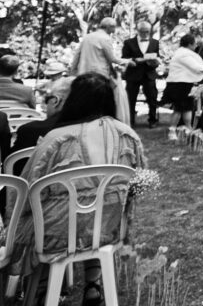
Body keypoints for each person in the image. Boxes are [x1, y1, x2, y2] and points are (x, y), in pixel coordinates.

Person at [11, 72, 146, 306]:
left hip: (56, 233)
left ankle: (42, 290)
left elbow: (28, 188)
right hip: (108, 228)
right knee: (93, 214)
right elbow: (139, 182)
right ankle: (93, 284)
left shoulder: (57, 139)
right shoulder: (127, 135)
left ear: (74, 99)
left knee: (36, 214)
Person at [69, 17, 132, 125]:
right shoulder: (105, 38)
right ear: (109, 27)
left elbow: (77, 55)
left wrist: (73, 70)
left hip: (84, 73)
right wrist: (128, 61)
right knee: (99, 99)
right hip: (100, 74)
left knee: (86, 98)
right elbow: (112, 59)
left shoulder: (87, 37)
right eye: (113, 27)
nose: (114, 30)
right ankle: (99, 120)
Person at [10, 77, 75, 168]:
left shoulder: (31, 131)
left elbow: (12, 169)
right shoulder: (97, 131)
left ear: (55, 100)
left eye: (46, 99)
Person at [162, 34, 203, 131]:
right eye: (194, 44)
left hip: (185, 84)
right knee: (178, 109)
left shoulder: (182, 53)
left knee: (187, 108)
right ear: (190, 44)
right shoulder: (183, 54)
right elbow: (196, 67)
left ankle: (188, 128)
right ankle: (172, 130)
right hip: (178, 85)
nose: (195, 47)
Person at [122, 20, 161, 128]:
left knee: (152, 98)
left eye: (147, 31)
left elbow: (157, 56)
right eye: (143, 31)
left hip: (149, 74)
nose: (145, 34)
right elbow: (124, 58)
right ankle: (130, 121)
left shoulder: (155, 42)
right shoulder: (129, 42)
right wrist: (135, 59)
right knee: (130, 98)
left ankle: (152, 120)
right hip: (133, 74)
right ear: (137, 31)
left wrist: (154, 62)